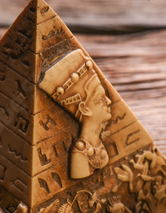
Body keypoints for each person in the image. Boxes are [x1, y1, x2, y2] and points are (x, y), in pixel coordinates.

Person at [38, 49, 112, 179]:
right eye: (101, 98)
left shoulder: (96, 142)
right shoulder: (80, 155)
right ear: (85, 109)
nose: (109, 101)